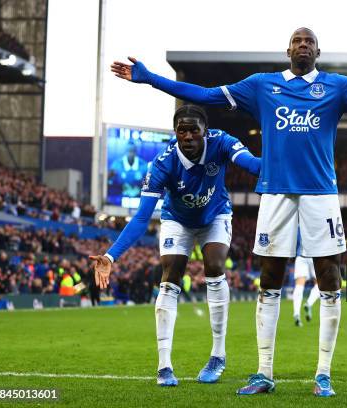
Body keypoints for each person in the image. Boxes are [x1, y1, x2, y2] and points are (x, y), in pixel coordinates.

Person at [111, 27, 347, 397]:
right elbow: (204, 95)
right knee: (271, 277)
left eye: (309, 41)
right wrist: (150, 79)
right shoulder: (261, 86)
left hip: (320, 195)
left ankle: (324, 374)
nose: (302, 45)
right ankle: (264, 372)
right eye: (296, 40)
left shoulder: (336, 86)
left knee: (328, 274)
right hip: (276, 194)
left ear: (317, 51)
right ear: (288, 50)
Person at [90, 104, 261, 386]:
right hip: (177, 219)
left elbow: (253, 165)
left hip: (215, 214)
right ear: (176, 132)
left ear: (205, 131)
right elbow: (142, 218)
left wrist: (285, 159)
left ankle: (218, 355)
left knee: (215, 267)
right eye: (183, 130)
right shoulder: (161, 164)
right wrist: (111, 256)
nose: (189, 136)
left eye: (195, 130)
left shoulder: (222, 142)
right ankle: (164, 365)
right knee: (170, 275)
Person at [292, 230, 320, 327]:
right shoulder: (316, 222)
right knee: (319, 285)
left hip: (301, 256)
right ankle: (309, 303)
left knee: (299, 286)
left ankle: (296, 314)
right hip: (314, 256)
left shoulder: (298, 224)